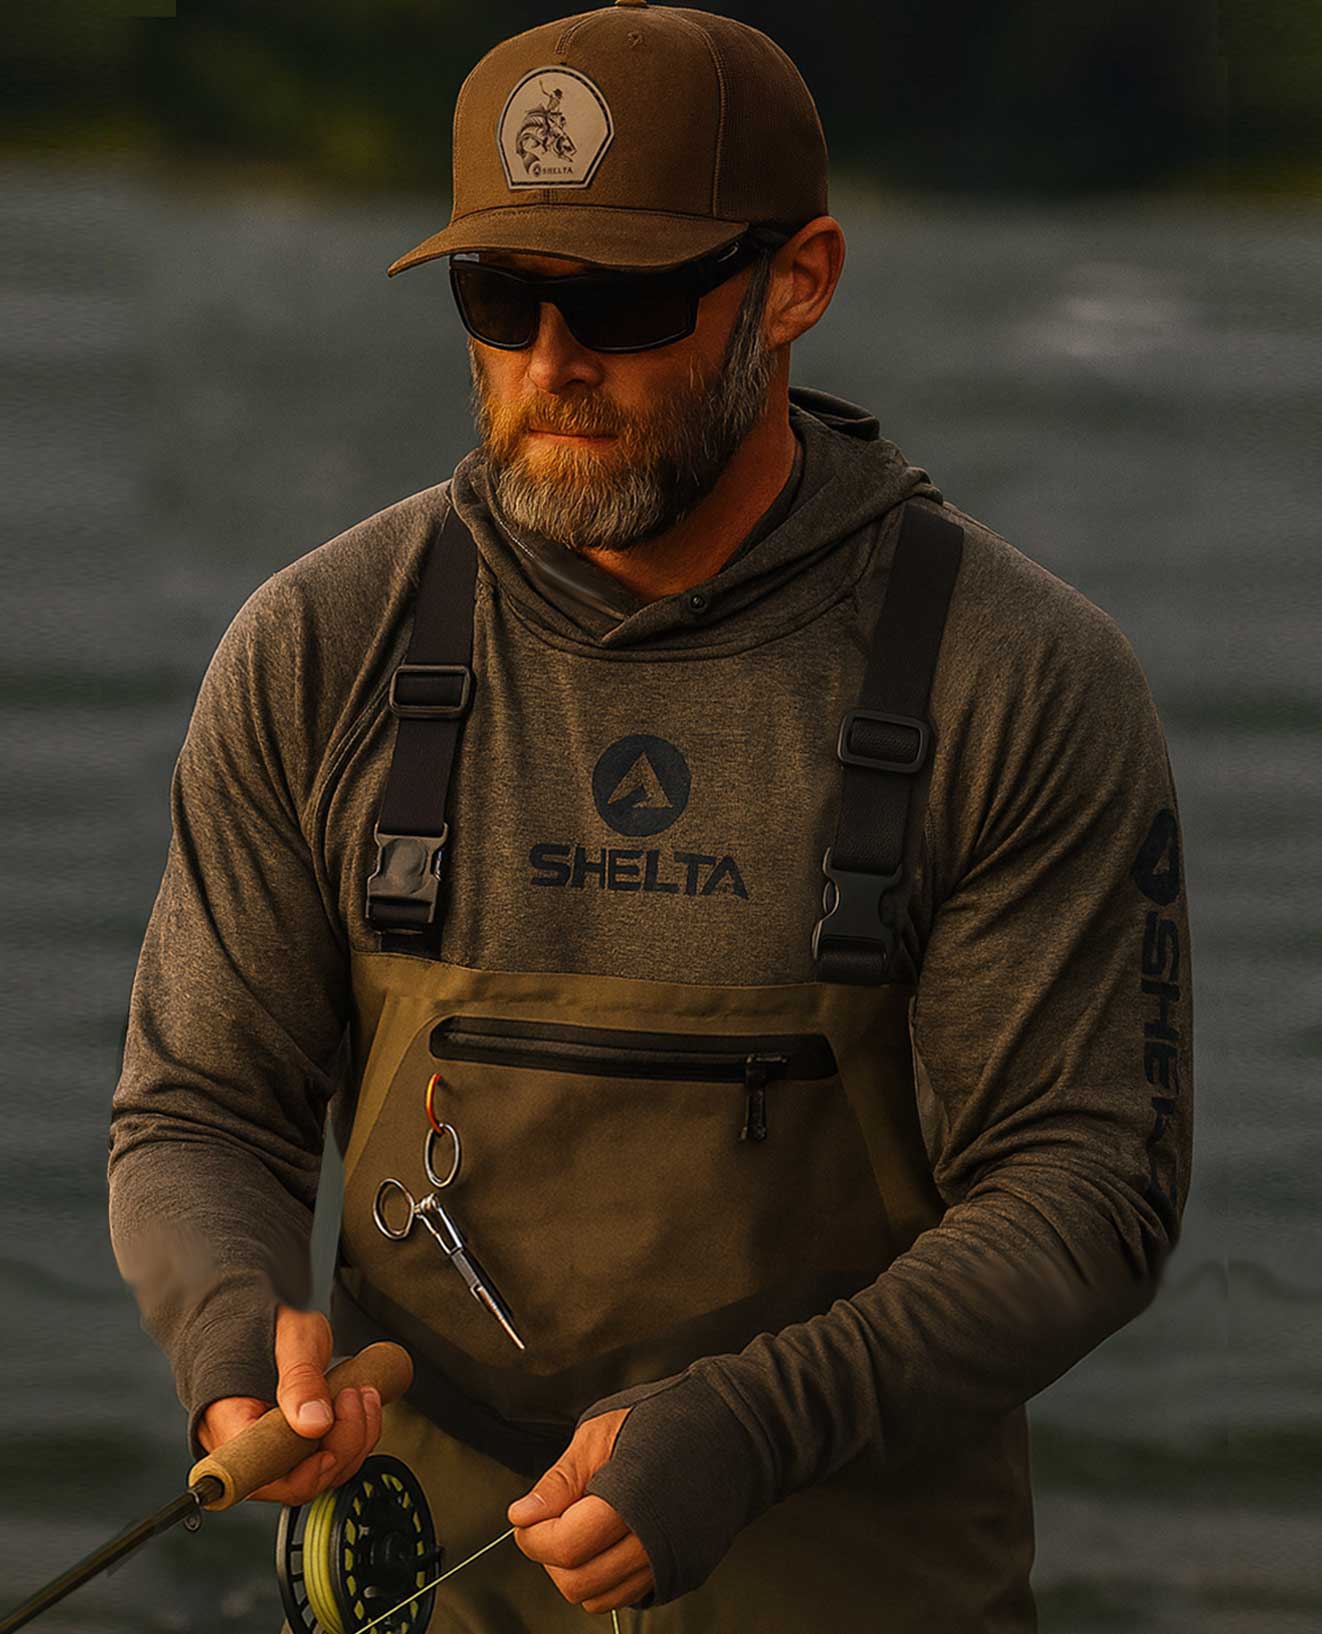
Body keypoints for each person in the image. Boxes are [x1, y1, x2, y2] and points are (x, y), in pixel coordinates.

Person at [107, 3, 1194, 1630]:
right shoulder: (316, 645)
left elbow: (1086, 1184)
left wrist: (755, 1422)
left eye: (621, 300)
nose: (551, 361)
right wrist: (230, 1352)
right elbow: (199, 1109)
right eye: (500, 295)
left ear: (796, 285)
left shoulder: (1019, 677)